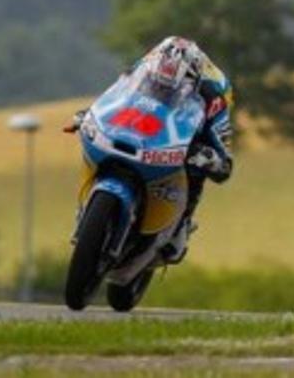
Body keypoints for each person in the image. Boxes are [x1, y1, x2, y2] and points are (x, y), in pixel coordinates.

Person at [67, 36, 234, 263]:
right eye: (157, 83)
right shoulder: (144, 68)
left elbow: (224, 165)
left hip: (198, 124)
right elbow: (117, 96)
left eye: (167, 87)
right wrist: (90, 114)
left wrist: (213, 159)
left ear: (189, 79)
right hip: (146, 130)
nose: (161, 88)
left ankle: (181, 225)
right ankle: (89, 212)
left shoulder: (213, 93)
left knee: (196, 166)